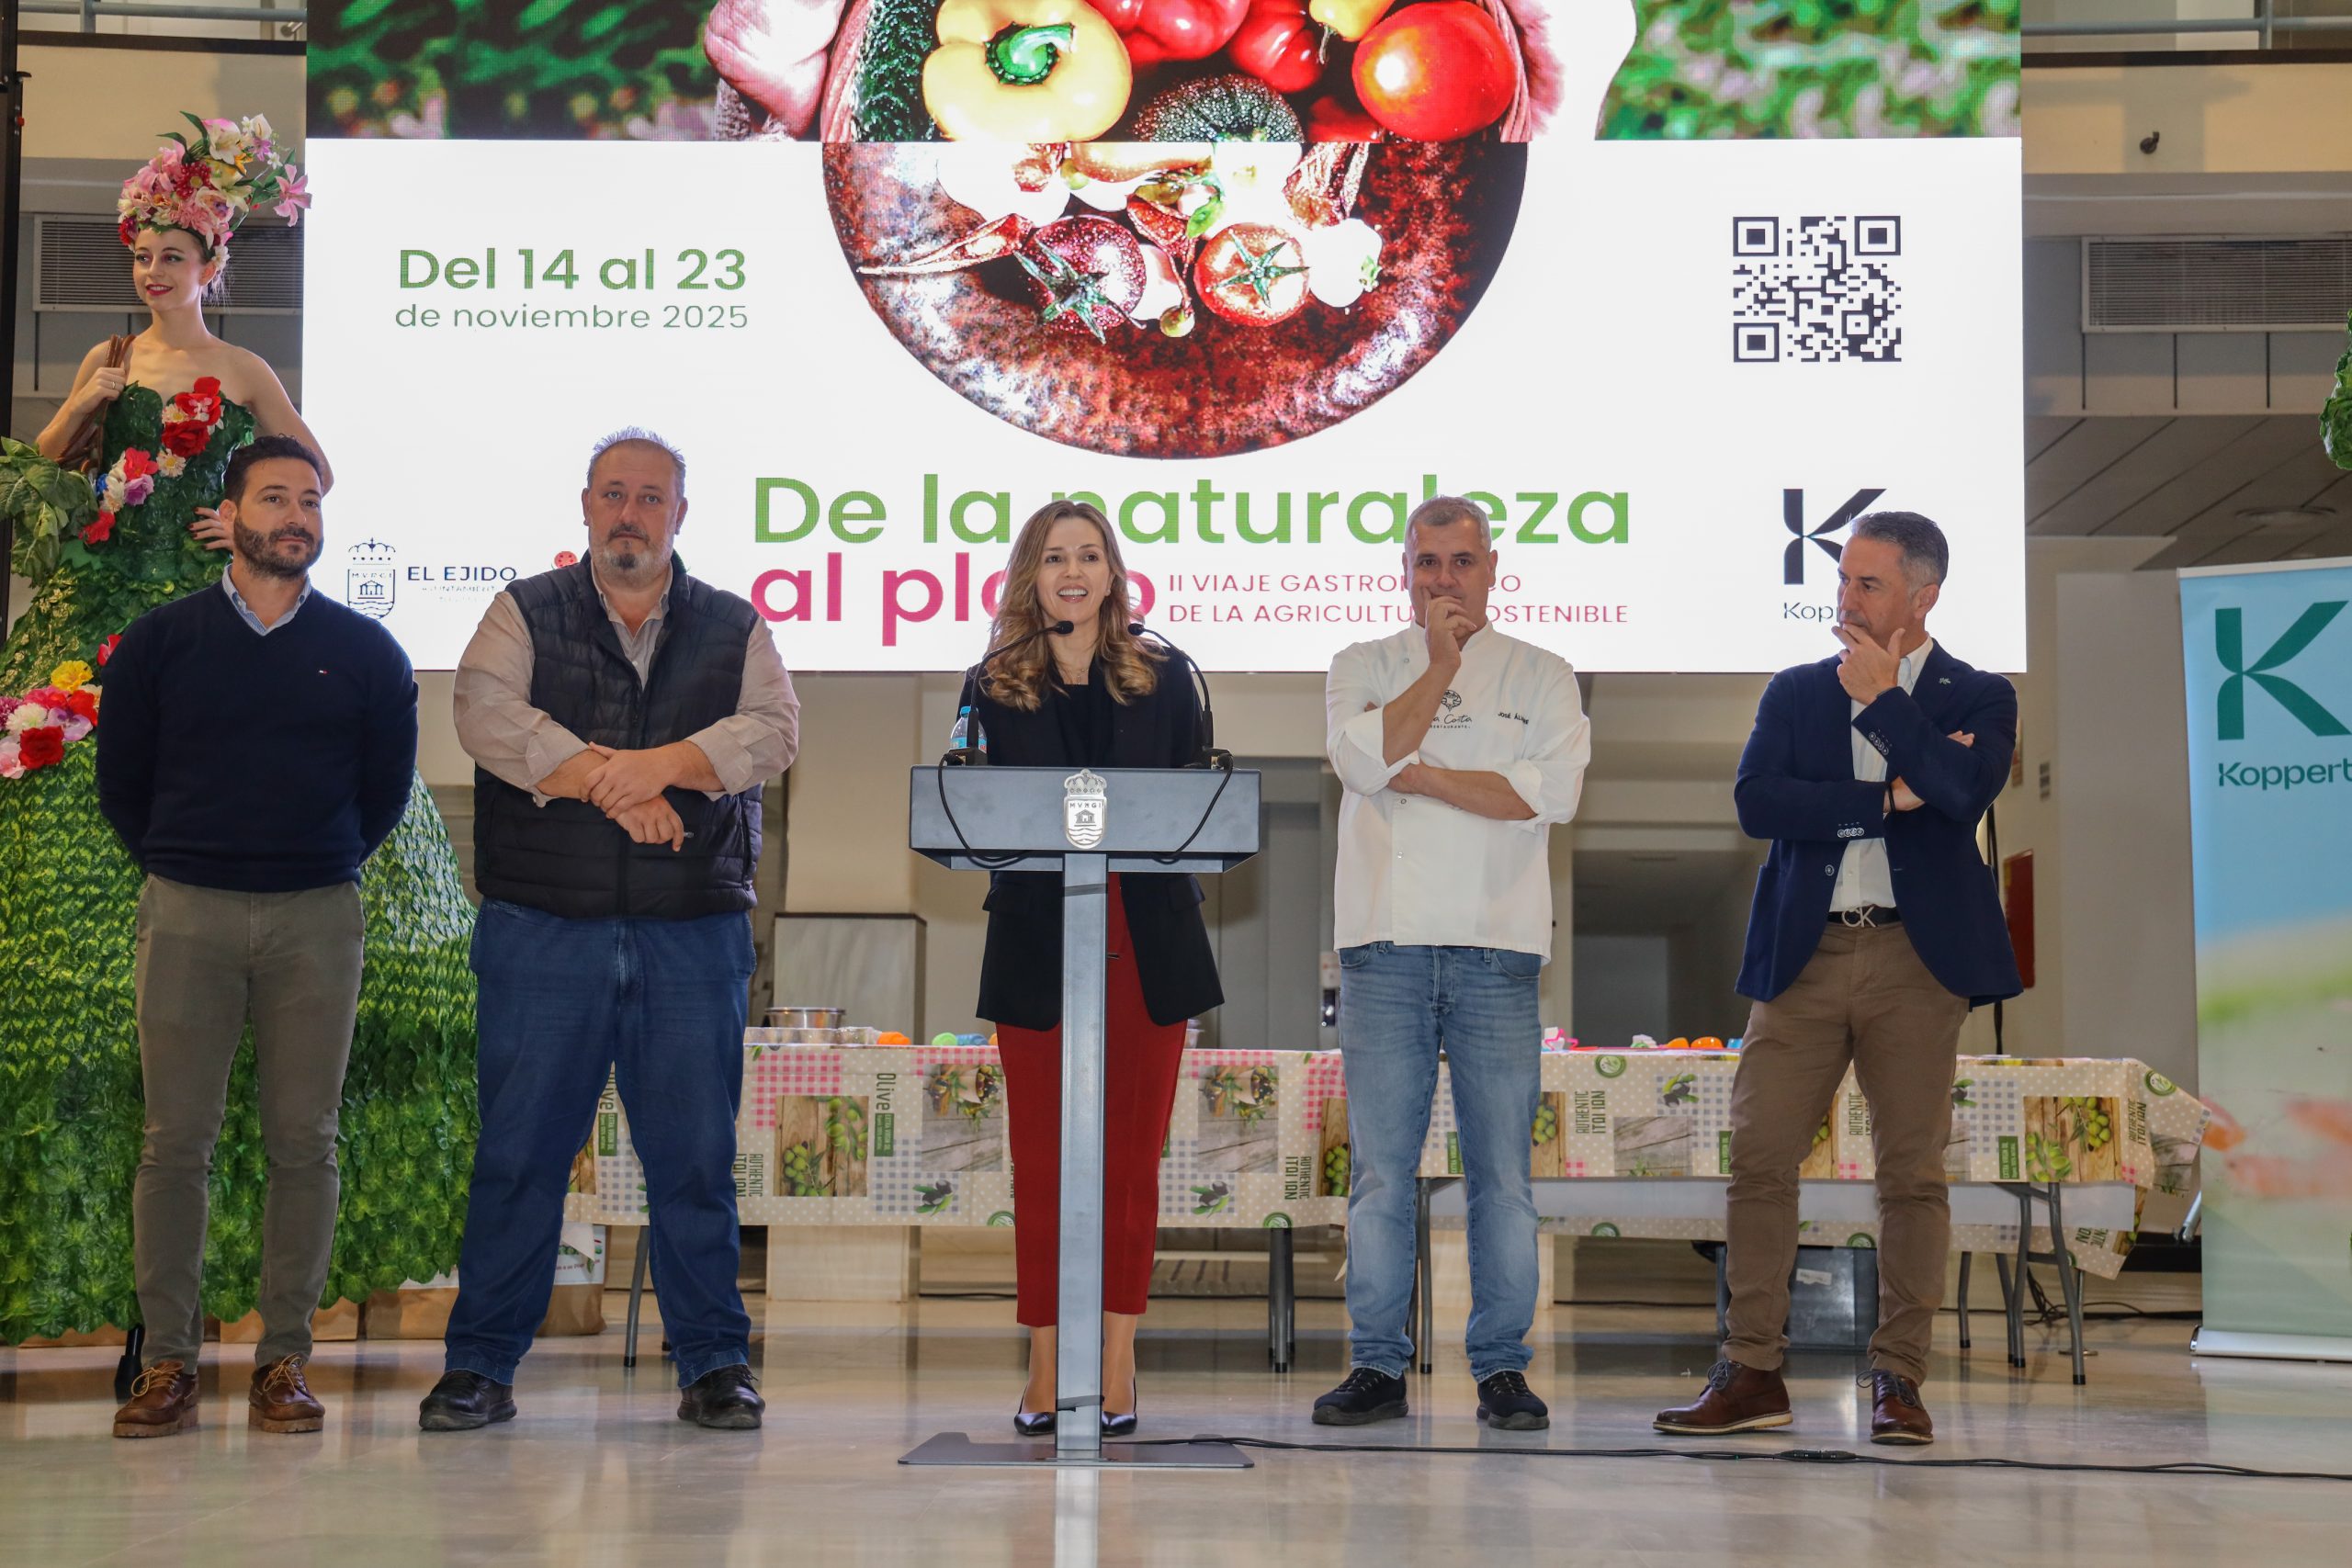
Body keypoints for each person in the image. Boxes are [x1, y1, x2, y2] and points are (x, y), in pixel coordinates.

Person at [0, 118, 477, 1359]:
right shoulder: (106, 358)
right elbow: (36, 498)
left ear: (214, 261)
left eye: (177, 252)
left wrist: (229, 513)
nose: (157, 271)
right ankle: (130, 1307)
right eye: (144, 252)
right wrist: (83, 410)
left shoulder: (248, 368)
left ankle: (274, 1335)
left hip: (217, 636)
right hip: (104, 636)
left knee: (294, 1091)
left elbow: (306, 473)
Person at [421, 429, 799, 1433]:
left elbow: (774, 730)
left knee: (693, 1162)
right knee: (519, 1157)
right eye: (613, 495)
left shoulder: (734, 624)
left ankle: (714, 1362)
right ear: (585, 506)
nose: (630, 513)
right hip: (545, 928)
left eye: (651, 498)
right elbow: (481, 711)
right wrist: (606, 780)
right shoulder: (522, 612)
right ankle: (481, 1367)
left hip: (690, 932)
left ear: (681, 514)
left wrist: (663, 763)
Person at [1654, 512, 2020, 1447]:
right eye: (1844, 580)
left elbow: (1966, 795)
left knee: (1911, 1174)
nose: (1845, 599)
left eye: (1868, 584)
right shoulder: (1795, 692)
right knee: (1759, 1160)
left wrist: (1889, 703)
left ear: (1922, 595)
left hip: (1916, 959)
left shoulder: (1978, 695)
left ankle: (1898, 1380)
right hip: (1804, 954)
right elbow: (1757, 802)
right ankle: (1752, 1371)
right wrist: (1886, 800)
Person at [93, 437, 414, 1438]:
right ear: (229, 517)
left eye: (310, 501)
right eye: (275, 498)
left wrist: (304, 861)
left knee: (304, 1141)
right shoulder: (161, 641)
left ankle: (284, 1363)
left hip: (319, 914)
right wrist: (191, 859)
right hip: (185, 906)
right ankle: (171, 1365)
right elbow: (123, 785)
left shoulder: (368, 651)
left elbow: (382, 795)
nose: (297, 518)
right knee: (172, 1142)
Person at [1314, 496, 1590, 1432]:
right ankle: (1378, 1367)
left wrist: (1420, 774)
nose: (1444, 580)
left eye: (1461, 562)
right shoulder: (1362, 666)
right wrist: (1437, 670)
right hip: (1383, 952)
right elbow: (1359, 766)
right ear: (1405, 570)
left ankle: (1502, 1368)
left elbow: (1544, 796)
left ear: (1491, 568)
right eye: (1427, 563)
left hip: (1499, 953)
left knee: (1501, 1177)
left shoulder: (1546, 674)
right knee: (1383, 1176)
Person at [965, 500, 1220, 1439]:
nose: (1072, 573)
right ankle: (1043, 1366)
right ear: (1028, 577)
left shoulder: (1168, 676)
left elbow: (1196, 803)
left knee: (1125, 1165)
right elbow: (976, 809)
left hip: (1147, 942)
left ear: (1115, 574)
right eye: (1052, 558)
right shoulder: (994, 683)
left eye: (1089, 556)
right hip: (1038, 944)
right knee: (1041, 1160)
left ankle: (1114, 1360)